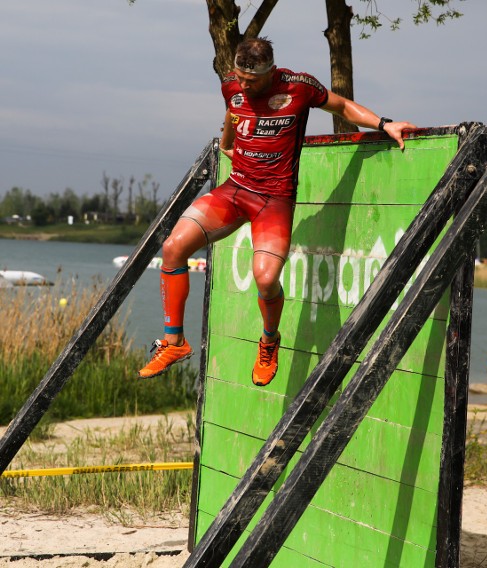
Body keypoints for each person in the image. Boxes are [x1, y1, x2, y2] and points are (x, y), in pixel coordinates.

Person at [138, 37, 416, 386]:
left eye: (251, 80)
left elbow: (342, 106)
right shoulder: (232, 85)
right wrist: (226, 142)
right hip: (234, 191)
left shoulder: (299, 87)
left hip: (274, 201)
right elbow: (233, 108)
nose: (243, 85)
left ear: (270, 72)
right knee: (173, 247)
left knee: (266, 279)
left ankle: (269, 341)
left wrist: (384, 123)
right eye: (239, 77)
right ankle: (175, 342)